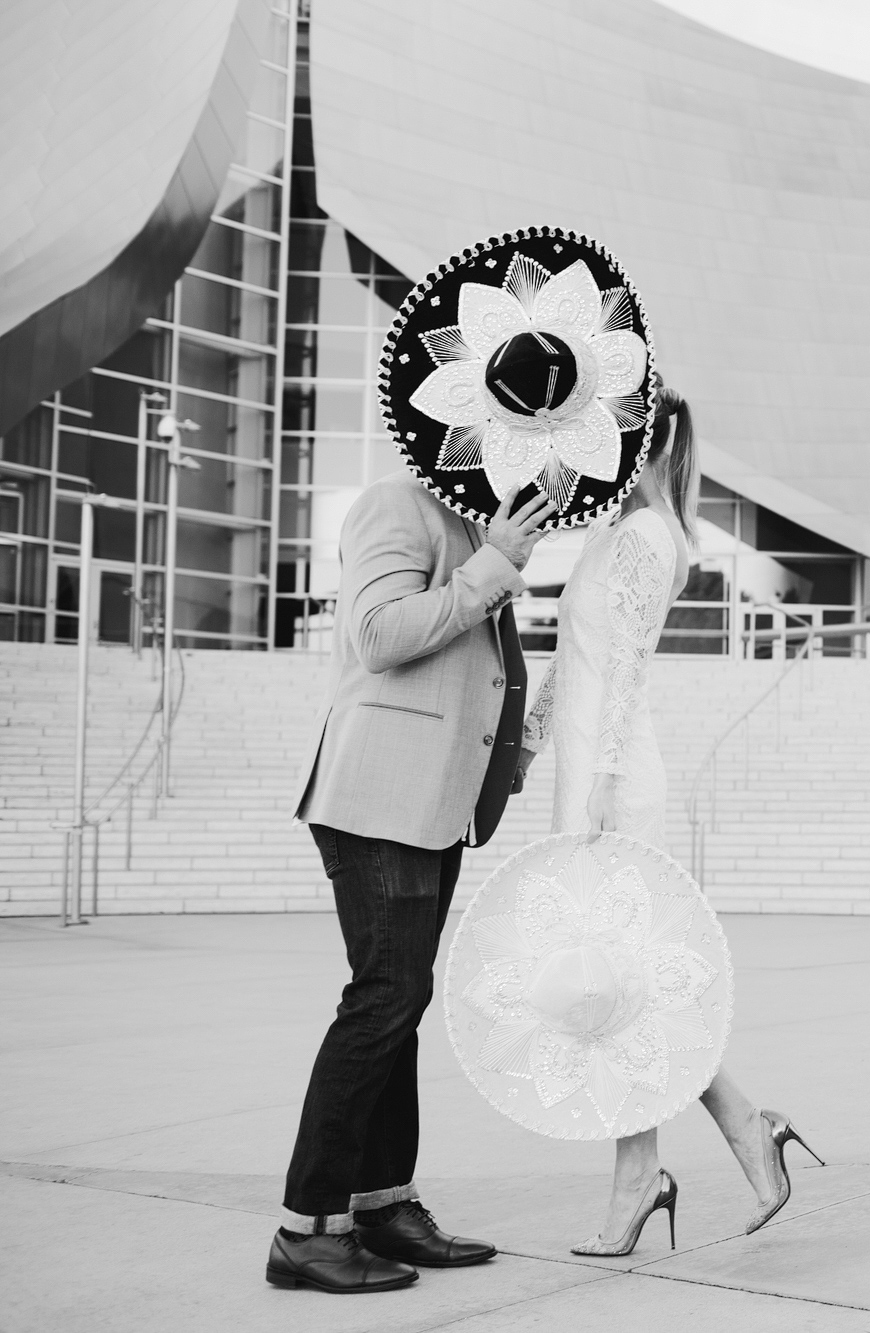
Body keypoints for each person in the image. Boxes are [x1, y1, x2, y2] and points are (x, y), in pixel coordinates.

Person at [521, 390, 820, 1256]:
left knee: (615, 993)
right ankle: (742, 1128)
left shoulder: (653, 537)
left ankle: (648, 1174)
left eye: (614, 432)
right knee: (614, 992)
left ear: (640, 443)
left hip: (614, 784)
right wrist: (528, 750)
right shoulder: (610, 532)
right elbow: (570, 661)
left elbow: (623, 669)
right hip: (583, 773)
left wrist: (602, 781)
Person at [269, 472, 555, 1294]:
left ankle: (382, 1204)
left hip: (432, 801)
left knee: (402, 998)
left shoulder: (473, 524)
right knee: (384, 994)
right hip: (375, 795)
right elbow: (378, 634)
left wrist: (510, 752)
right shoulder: (398, 505)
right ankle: (307, 1226)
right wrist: (492, 565)